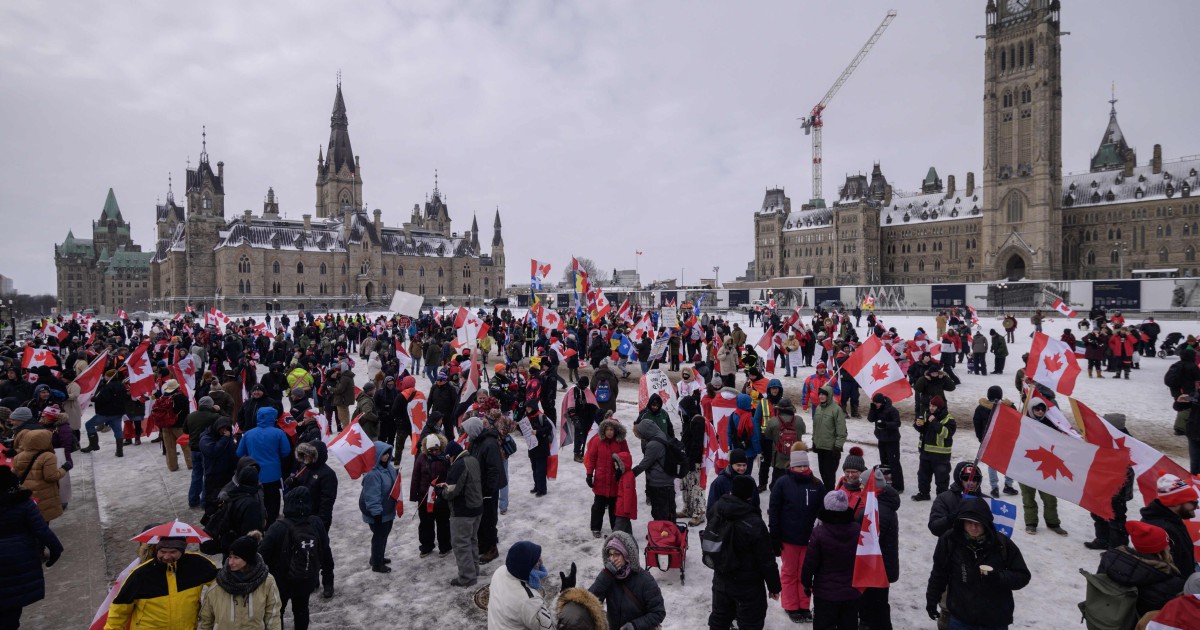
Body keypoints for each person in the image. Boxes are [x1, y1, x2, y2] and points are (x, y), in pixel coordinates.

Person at [926, 498, 1031, 629]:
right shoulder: (949, 540)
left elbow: (1022, 576)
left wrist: (999, 577)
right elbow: (939, 573)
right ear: (962, 522)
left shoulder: (1001, 544)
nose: (973, 527)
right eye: (969, 522)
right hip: (961, 618)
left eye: (978, 523)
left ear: (986, 522)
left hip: (994, 620)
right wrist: (932, 599)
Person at [708, 475, 781, 630]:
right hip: (748, 586)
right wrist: (774, 587)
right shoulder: (754, 523)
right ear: (749, 496)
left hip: (721, 578)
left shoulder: (717, 509)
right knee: (750, 624)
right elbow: (766, 560)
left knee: (719, 619)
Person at [106, 535, 219, 629]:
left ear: (182, 551)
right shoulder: (140, 575)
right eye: (162, 551)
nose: (166, 556)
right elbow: (119, 611)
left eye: (173, 552)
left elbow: (220, 585)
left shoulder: (197, 564)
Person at [260, 487, 332, 630]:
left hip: (281, 580)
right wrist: (328, 577)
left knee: (277, 612)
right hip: (306, 577)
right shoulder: (316, 523)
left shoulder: (278, 527)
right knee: (301, 610)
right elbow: (325, 551)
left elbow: (262, 555)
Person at [0, 465, 63, 630]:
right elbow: (41, 529)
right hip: (18, 560)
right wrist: (55, 550)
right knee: (12, 607)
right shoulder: (23, 503)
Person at [769, 442, 825, 623]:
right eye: (799, 465)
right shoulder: (782, 483)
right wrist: (774, 536)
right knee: (789, 573)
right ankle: (791, 605)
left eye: (805, 465)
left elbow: (823, 511)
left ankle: (804, 605)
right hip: (789, 539)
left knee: (806, 574)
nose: (802, 469)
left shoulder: (817, 484)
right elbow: (774, 510)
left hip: (810, 539)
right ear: (792, 466)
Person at [1095, 520, 1186, 619]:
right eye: (1168, 543)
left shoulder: (1110, 561)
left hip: (1107, 621)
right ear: (1163, 550)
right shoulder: (1172, 583)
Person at [800, 490, 861, 629]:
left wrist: (806, 582)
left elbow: (810, 562)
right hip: (851, 591)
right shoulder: (857, 529)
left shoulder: (819, 532)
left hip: (826, 592)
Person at [197, 532, 282, 630]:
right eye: (230, 557)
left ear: (248, 560)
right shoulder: (219, 584)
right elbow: (205, 621)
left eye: (236, 558)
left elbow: (273, 616)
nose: (230, 562)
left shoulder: (267, 582)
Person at [487, 540, 576, 630]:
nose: (541, 562)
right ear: (528, 569)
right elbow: (550, 627)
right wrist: (564, 595)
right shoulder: (529, 600)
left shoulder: (500, 571)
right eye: (537, 560)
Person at [587, 531, 667, 630]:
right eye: (610, 554)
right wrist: (606, 575)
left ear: (627, 556)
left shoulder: (645, 580)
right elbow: (589, 601)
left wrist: (634, 626)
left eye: (617, 554)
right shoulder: (608, 577)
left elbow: (658, 613)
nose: (612, 559)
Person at [858, 466, 901, 630]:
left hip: (875, 569)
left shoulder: (876, 511)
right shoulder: (881, 503)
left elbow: (866, 542)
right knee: (879, 606)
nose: (860, 488)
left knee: (875, 609)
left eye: (862, 484)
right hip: (882, 567)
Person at [237, 407, 292, 526]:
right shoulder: (278, 433)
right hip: (273, 473)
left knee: (256, 499)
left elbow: (239, 453)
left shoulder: (248, 434)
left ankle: (259, 521)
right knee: (273, 499)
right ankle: (272, 521)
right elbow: (286, 451)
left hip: (254, 474)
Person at [1021, 402, 1068, 536]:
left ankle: (1053, 523)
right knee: (1028, 497)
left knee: (1050, 498)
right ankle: (1031, 523)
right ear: (1032, 409)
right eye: (1037, 408)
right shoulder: (1024, 422)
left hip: (1046, 467)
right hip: (1027, 466)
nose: (1040, 411)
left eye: (1042, 409)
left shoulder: (1052, 424)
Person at [463, 416, 506, 564]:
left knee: (489, 519)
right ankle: (483, 544)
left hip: (488, 489)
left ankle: (491, 548)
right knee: (480, 518)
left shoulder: (489, 444)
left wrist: (488, 489)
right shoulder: (476, 441)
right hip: (478, 487)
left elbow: (494, 469)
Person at [1139, 473, 1199, 579]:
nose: (1197, 506)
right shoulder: (1162, 529)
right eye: (1193, 503)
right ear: (1176, 503)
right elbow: (1166, 571)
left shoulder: (1173, 519)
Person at [441, 439, 482, 586]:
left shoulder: (458, 465)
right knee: (472, 540)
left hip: (463, 511)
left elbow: (451, 492)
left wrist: (442, 491)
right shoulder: (473, 459)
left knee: (461, 544)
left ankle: (467, 577)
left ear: (452, 455)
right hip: (477, 507)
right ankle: (474, 570)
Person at [585, 416, 630, 538]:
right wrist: (589, 474)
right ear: (603, 430)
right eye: (607, 429)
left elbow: (627, 457)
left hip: (615, 481)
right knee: (598, 506)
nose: (610, 432)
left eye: (612, 429)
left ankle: (615, 528)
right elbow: (592, 458)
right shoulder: (597, 441)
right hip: (601, 480)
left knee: (614, 508)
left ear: (616, 430)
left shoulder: (621, 443)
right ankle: (595, 527)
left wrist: (621, 469)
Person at [10, 428, 68, 523]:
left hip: (26, 494)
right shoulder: (48, 456)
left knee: (32, 521)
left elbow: (14, 474)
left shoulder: (18, 456)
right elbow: (51, 476)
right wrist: (64, 469)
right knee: (43, 522)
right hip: (44, 495)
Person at [358, 441, 398, 573]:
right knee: (379, 537)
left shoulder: (389, 468)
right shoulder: (373, 474)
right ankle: (376, 563)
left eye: (388, 453)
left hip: (387, 510)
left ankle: (377, 557)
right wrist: (376, 513)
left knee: (384, 535)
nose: (386, 456)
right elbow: (372, 496)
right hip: (378, 512)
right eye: (383, 454)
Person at [410, 433, 453, 558]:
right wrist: (414, 495)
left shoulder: (446, 458)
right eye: (431, 450)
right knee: (425, 524)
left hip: (441, 497)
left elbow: (451, 476)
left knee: (443, 523)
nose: (434, 452)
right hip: (424, 497)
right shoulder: (421, 458)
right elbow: (415, 477)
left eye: (436, 449)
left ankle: (445, 546)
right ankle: (426, 546)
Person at [972, 386, 1018, 498]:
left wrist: (981, 438)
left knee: (992, 464)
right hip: (1006, 440)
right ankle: (1008, 485)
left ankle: (994, 488)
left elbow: (977, 424)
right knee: (1009, 463)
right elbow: (1016, 422)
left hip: (989, 441)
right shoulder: (1009, 407)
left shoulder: (981, 408)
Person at [631, 418, 676, 521]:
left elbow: (645, 464)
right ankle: (670, 533)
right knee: (669, 511)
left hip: (659, 483)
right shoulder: (661, 435)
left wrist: (631, 474)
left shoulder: (653, 444)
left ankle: (661, 534)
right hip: (668, 479)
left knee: (659, 512)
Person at [911, 395, 954, 502]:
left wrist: (934, 422)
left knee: (942, 478)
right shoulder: (927, 415)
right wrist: (918, 425)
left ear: (939, 407)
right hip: (925, 453)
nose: (931, 408)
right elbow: (924, 431)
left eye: (934, 406)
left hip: (941, 456)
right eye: (930, 405)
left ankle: (942, 498)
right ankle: (924, 494)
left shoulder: (949, 419)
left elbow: (946, 433)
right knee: (923, 476)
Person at [184, 396, 223, 510]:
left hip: (194, 449)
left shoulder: (190, 416)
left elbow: (185, 430)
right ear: (211, 405)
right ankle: (204, 501)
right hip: (207, 449)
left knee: (196, 475)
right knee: (208, 475)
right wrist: (219, 410)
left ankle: (193, 499)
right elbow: (225, 421)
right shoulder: (214, 416)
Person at [810, 386, 847, 492]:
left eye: (824, 394)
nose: (821, 396)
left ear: (829, 396)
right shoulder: (818, 408)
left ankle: (830, 497)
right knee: (823, 473)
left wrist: (838, 446)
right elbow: (815, 427)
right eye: (820, 394)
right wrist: (814, 441)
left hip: (831, 449)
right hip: (820, 447)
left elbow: (842, 431)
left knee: (829, 476)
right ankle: (826, 495)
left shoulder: (836, 409)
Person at [867, 393, 903, 492]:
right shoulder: (876, 409)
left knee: (894, 462)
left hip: (892, 440)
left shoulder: (892, 410)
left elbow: (897, 423)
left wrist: (885, 424)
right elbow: (870, 419)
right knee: (884, 462)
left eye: (877, 403)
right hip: (881, 439)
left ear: (882, 403)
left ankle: (898, 486)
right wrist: (872, 409)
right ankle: (887, 482)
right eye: (874, 403)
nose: (876, 404)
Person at [726, 393, 761, 478]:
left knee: (736, 474)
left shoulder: (733, 415)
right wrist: (758, 451)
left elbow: (729, 432)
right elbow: (754, 437)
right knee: (746, 474)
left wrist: (730, 446)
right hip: (748, 453)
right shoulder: (750, 419)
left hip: (736, 450)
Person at [564, 376, 597, 463]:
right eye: (584, 386)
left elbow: (592, 402)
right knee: (579, 434)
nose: (585, 388)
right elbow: (570, 404)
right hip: (577, 416)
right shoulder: (573, 389)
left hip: (586, 416)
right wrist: (574, 418)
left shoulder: (586, 389)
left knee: (586, 434)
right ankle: (577, 453)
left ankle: (584, 452)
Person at [525, 401, 552, 497]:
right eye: (526, 407)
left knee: (541, 470)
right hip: (532, 447)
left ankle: (542, 489)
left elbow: (549, 428)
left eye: (529, 407)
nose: (527, 409)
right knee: (534, 469)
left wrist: (537, 432)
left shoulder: (541, 416)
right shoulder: (526, 417)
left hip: (541, 448)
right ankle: (537, 486)